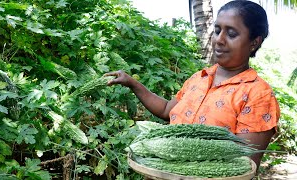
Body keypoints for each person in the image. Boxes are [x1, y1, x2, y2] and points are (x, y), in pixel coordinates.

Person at [105, 0, 280, 170]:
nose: (219, 39)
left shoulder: (258, 94)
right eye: (217, 30)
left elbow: (243, 163)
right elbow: (167, 110)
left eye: (231, 34)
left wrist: (182, 169)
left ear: (254, 42)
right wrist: (132, 83)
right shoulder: (199, 78)